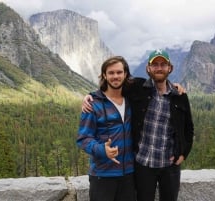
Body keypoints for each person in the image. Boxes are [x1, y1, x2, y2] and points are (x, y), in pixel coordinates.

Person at [83, 49, 194, 201]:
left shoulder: (179, 96)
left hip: (170, 165)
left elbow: (189, 128)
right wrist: (90, 96)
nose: (159, 68)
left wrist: (183, 153)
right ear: (148, 68)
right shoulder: (138, 88)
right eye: (155, 64)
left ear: (170, 68)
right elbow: (112, 86)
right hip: (143, 165)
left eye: (163, 64)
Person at [76, 56, 135, 201]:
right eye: (111, 73)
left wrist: (176, 87)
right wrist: (102, 150)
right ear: (104, 75)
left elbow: (156, 85)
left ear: (125, 74)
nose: (115, 76)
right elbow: (83, 138)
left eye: (119, 72)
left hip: (129, 175)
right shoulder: (93, 104)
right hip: (102, 175)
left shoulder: (132, 99)